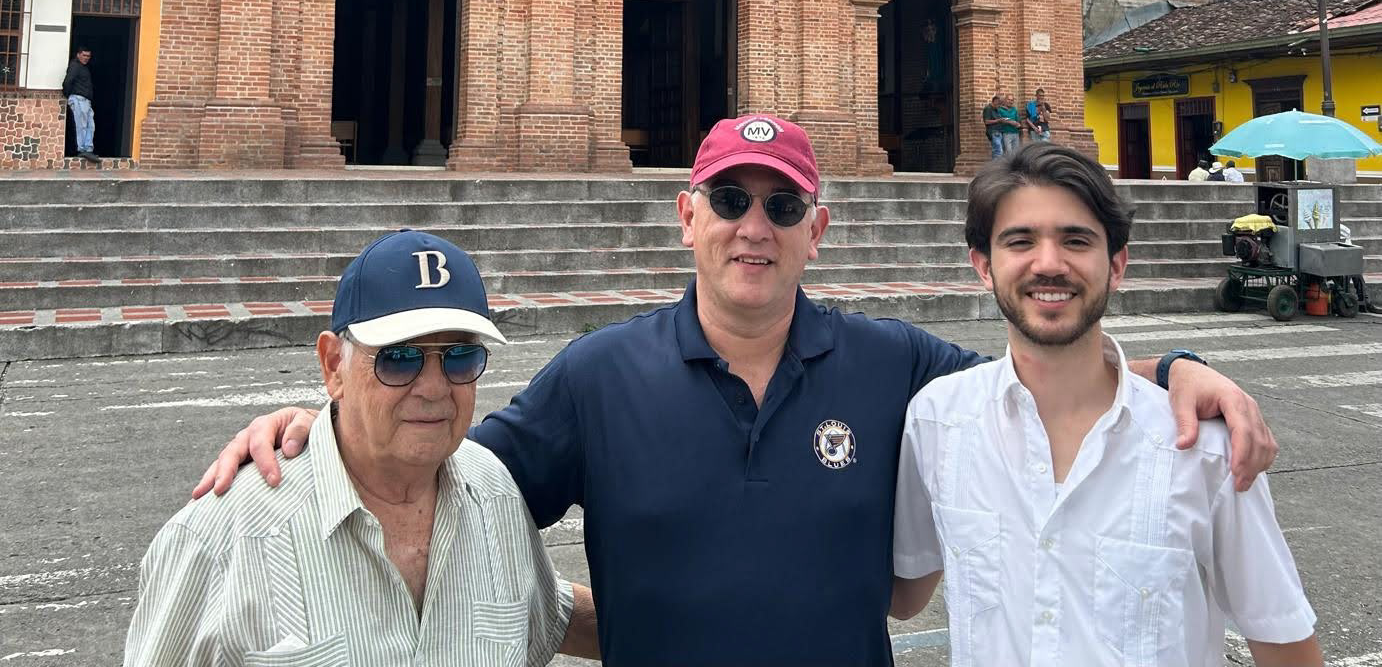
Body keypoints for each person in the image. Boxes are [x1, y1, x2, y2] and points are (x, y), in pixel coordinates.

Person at [195, 115, 1279, 667]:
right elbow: (440, 478)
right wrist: (323, 424)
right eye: (728, 199)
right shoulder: (596, 376)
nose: (753, 225)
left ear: (817, 228)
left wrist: (1178, 370)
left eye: (780, 204)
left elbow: (1046, 380)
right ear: (687, 216)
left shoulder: (896, 367)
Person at [892, 145, 1321, 665]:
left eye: (1076, 240)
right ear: (984, 266)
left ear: (1116, 265)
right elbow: (904, 594)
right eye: (1020, 241)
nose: (1049, 264)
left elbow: (1284, 643)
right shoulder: (937, 422)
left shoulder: (1207, 448)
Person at [126, 230, 595, 666]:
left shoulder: (494, 494)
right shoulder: (219, 540)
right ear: (334, 366)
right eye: (399, 358)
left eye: (460, 357)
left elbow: (546, 613)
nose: (435, 388)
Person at [62, 46, 97, 162]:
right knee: (81, 125)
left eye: (88, 56)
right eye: (84, 55)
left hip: (86, 101)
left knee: (90, 125)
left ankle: (88, 149)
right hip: (78, 99)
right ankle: (82, 149)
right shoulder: (75, 66)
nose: (86, 58)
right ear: (78, 55)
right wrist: (69, 95)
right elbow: (67, 82)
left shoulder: (83, 68)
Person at [983, 89, 1022, 156]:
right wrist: (1009, 122)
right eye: (1009, 99)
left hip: (1015, 133)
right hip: (1005, 133)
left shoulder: (1014, 109)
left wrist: (1018, 124)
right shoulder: (998, 109)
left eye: (1012, 100)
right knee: (1006, 152)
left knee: (1015, 153)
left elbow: (1018, 120)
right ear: (1005, 100)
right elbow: (998, 120)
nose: (1010, 101)